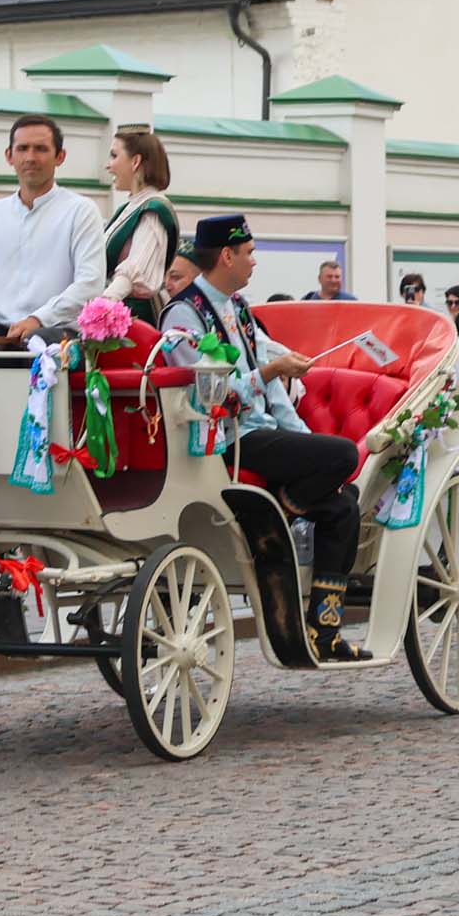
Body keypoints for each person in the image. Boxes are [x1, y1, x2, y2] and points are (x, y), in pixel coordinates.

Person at [163, 215, 367, 660]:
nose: (255, 261)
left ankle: (324, 630)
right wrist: (272, 371)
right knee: (345, 454)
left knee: (343, 505)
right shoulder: (184, 315)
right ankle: (290, 504)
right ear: (226, 255)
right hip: (225, 439)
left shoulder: (237, 308)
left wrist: (308, 443)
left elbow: (273, 393)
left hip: (261, 434)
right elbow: (210, 394)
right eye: (250, 252)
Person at [0, 115, 108, 340]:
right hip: (0, 330)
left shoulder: (81, 211)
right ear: (9, 156)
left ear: (60, 157)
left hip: (56, 331)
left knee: (36, 342)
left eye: (41, 149)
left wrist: (38, 319)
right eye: (23, 148)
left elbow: (90, 285)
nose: (30, 157)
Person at [99, 126, 179, 323]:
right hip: (119, 312)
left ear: (135, 161)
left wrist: (103, 306)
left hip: (134, 318)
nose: (107, 166)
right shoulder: (131, 206)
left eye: (114, 156)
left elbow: (136, 270)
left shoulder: (153, 209)